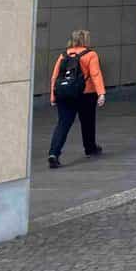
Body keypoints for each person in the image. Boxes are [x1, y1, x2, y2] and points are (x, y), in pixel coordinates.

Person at [47, 29, 105, 168]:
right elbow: (95, 74)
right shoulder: (90, 55)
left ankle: (54, 153)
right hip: (86, 93)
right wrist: (101, 93)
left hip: (65, 94)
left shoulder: (63, 55)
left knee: (63, 123)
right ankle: (90, 148)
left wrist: (53, 95)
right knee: (87, 122)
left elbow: (55, 77)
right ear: (86, 40)